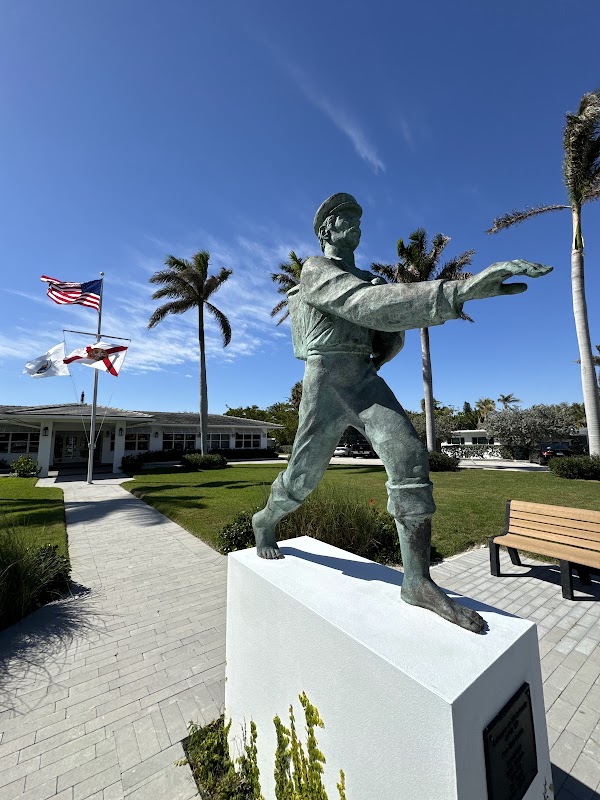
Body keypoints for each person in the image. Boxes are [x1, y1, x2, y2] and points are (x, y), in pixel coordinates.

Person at [252, 193, 551, 633]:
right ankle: (265, 521)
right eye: (344, 219)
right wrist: (460, 290)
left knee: (410, 455)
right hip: (325, 381)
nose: (355, 224)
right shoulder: (316, 269)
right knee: (303, 477)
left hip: (362, 377)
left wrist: (382, 346)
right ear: (325, 231)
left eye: (358, 218)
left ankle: (416, 580)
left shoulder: (370, 279)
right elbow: (362, 306)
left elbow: (386, 329)